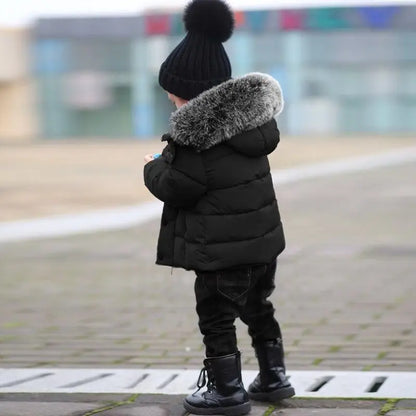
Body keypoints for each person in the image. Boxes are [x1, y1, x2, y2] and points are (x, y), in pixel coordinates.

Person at [143, 0, 295, 414]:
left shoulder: (194, 136)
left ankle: (226, 390)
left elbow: (180, 187)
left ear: (188, 92)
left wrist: (153, 169)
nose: (170, 98)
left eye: (171, 91)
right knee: (259, 308)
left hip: (221, 253)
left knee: (216, 316)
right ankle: (274, 376)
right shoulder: (253, 125)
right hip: (261, 249)